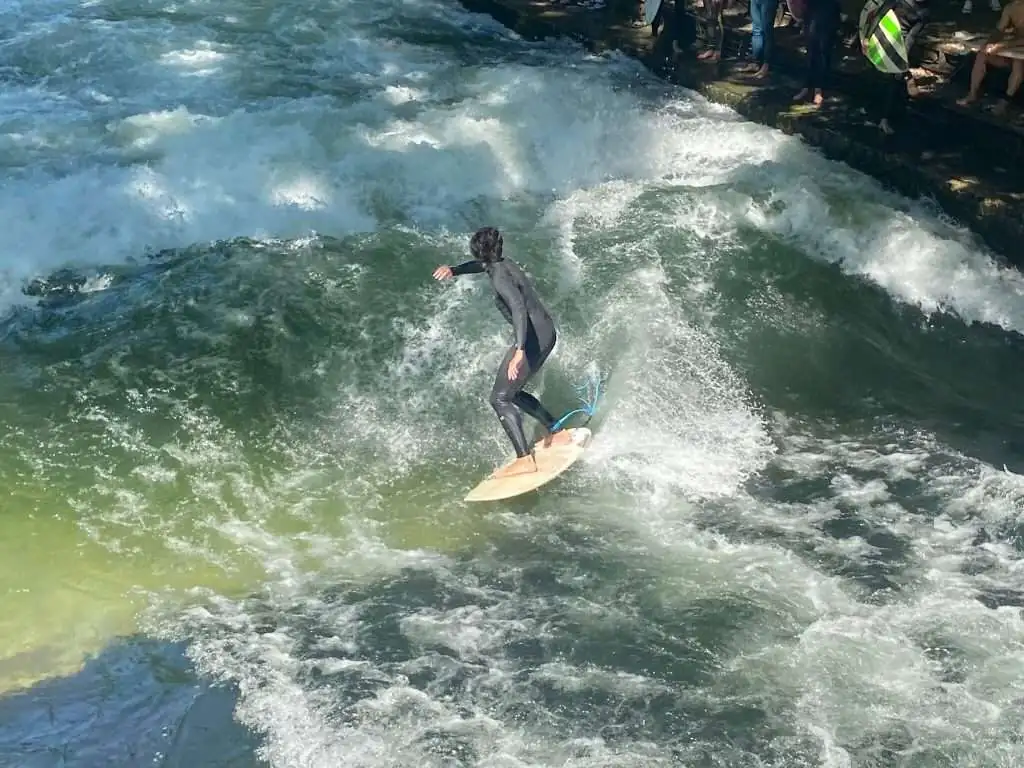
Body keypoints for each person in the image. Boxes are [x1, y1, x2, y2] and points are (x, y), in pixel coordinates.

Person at [432, 227, 571, 478]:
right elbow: (482, 266)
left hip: (532, 338)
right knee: (512, 393)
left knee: (499, 398)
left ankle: (524, 459)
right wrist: (454, 270)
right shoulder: (503, 264)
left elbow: (518, 308)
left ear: (479, 251)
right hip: (545, 331)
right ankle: (556, 429)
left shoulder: (498, 277)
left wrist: (519, 350)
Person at [956, 0, 1024, 115]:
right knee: (982, 55)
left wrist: (1003, 45)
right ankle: (972, 94)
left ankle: (1004, 103)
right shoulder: (1010, 8)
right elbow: (999, 30)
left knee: (1018, 61)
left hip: (1018, 50)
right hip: (1015, 46)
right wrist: (990, 43)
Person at [794, 0, 841, 105]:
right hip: (811, 9)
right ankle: (807, 86)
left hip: (827, 11)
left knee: (823, 50)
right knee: (810, 50)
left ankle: (819, 89)